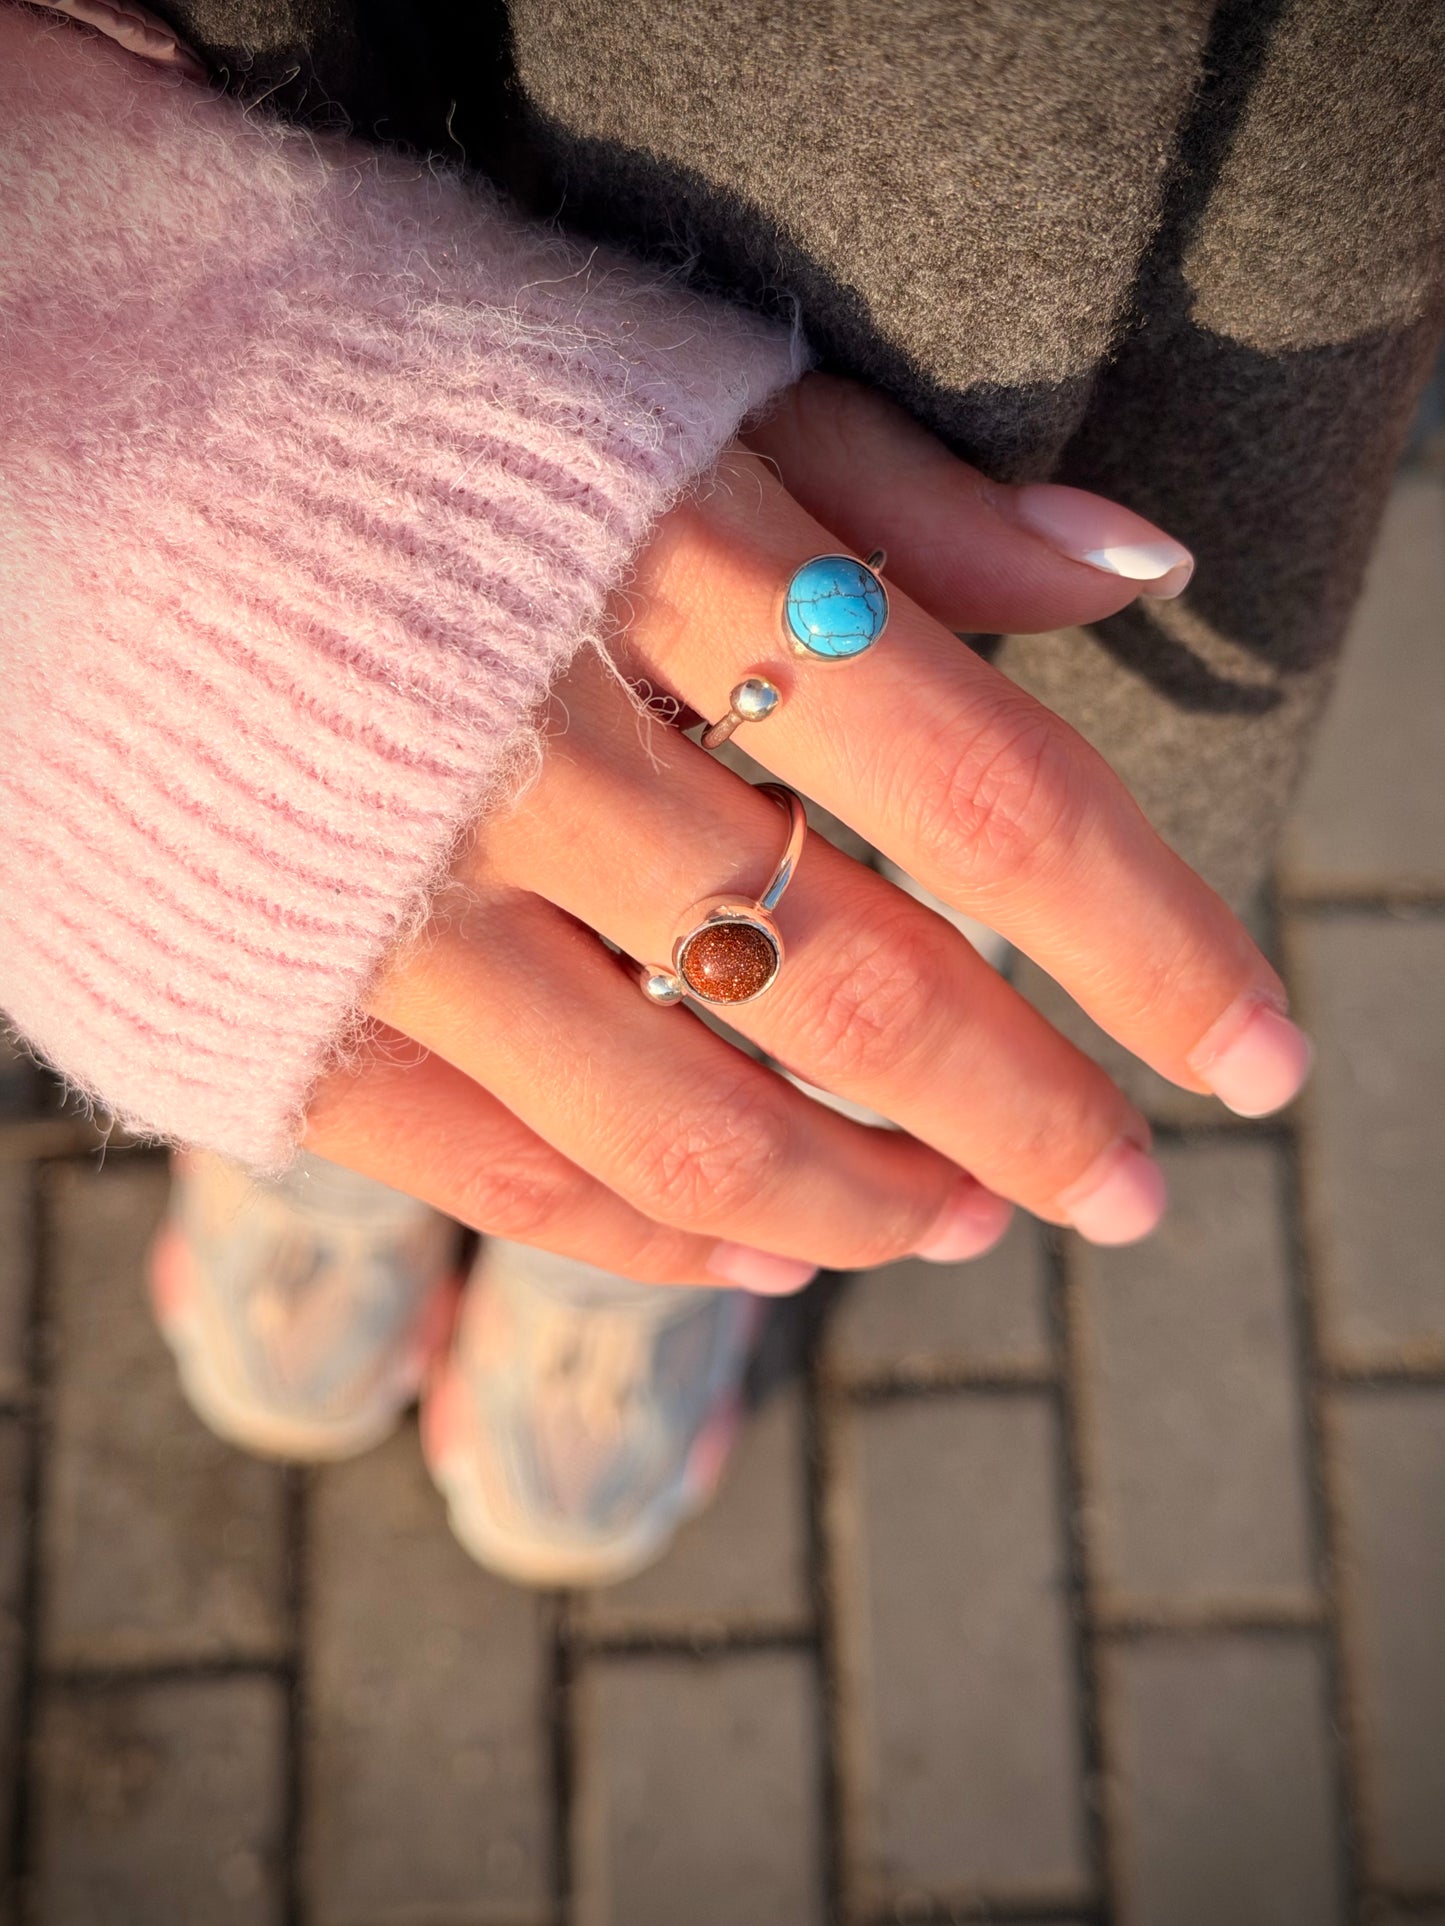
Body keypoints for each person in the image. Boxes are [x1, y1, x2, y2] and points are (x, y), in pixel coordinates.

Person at [3, 0, 1441, 1584]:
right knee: (273, 825)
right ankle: (361, 1068)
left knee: (908, 796)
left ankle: (675, 1156)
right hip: (222, 191)